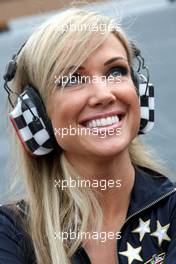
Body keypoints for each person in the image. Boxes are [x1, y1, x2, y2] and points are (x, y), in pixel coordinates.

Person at [0, 7, 176, 264]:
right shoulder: (11, 233)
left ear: (139, 91)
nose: (104, 94)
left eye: (116, 72)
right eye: (72, 79)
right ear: (36, 115)